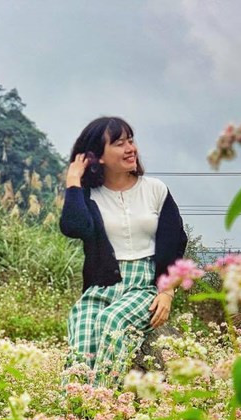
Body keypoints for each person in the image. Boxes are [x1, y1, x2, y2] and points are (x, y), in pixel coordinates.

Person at [60, 116, 188, 386]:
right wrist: (73, 180)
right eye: (120, 143)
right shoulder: (90, 194)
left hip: (144, 285)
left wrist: (167, 291)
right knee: (81, 326)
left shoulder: (155, 190)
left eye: (131, 141)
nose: (131, 148)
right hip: (102, 284)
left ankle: (100, 407)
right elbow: (74, 227)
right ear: (99, 157)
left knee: (112, 321)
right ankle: (72, 413)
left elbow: (176, 241)